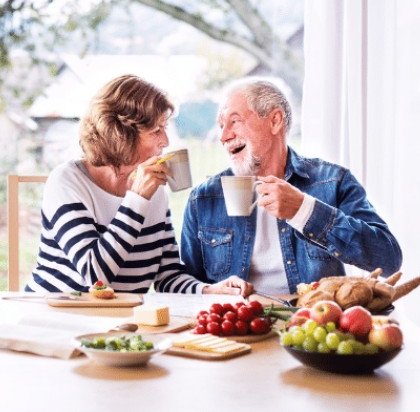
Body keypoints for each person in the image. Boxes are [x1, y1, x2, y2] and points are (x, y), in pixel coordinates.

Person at [25, 74, 253, 297]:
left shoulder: (153, 191)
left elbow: (168, 276)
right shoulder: (68, 181)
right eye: (156, 131)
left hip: (118, 322)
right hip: (55, 318)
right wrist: (137, 199)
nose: (166, 141)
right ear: (121, 134)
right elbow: (95, 276)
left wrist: (209, 289)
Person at [180, 77, 403, 295]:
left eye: (234, 121)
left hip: (312, 324)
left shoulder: (333, 181)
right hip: (236, 326)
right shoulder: (204, 198)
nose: (224, 136)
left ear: (275, 120)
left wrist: (305, 211)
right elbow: (186, 286)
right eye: (221, 126)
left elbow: (389, 258)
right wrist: (209, 291)